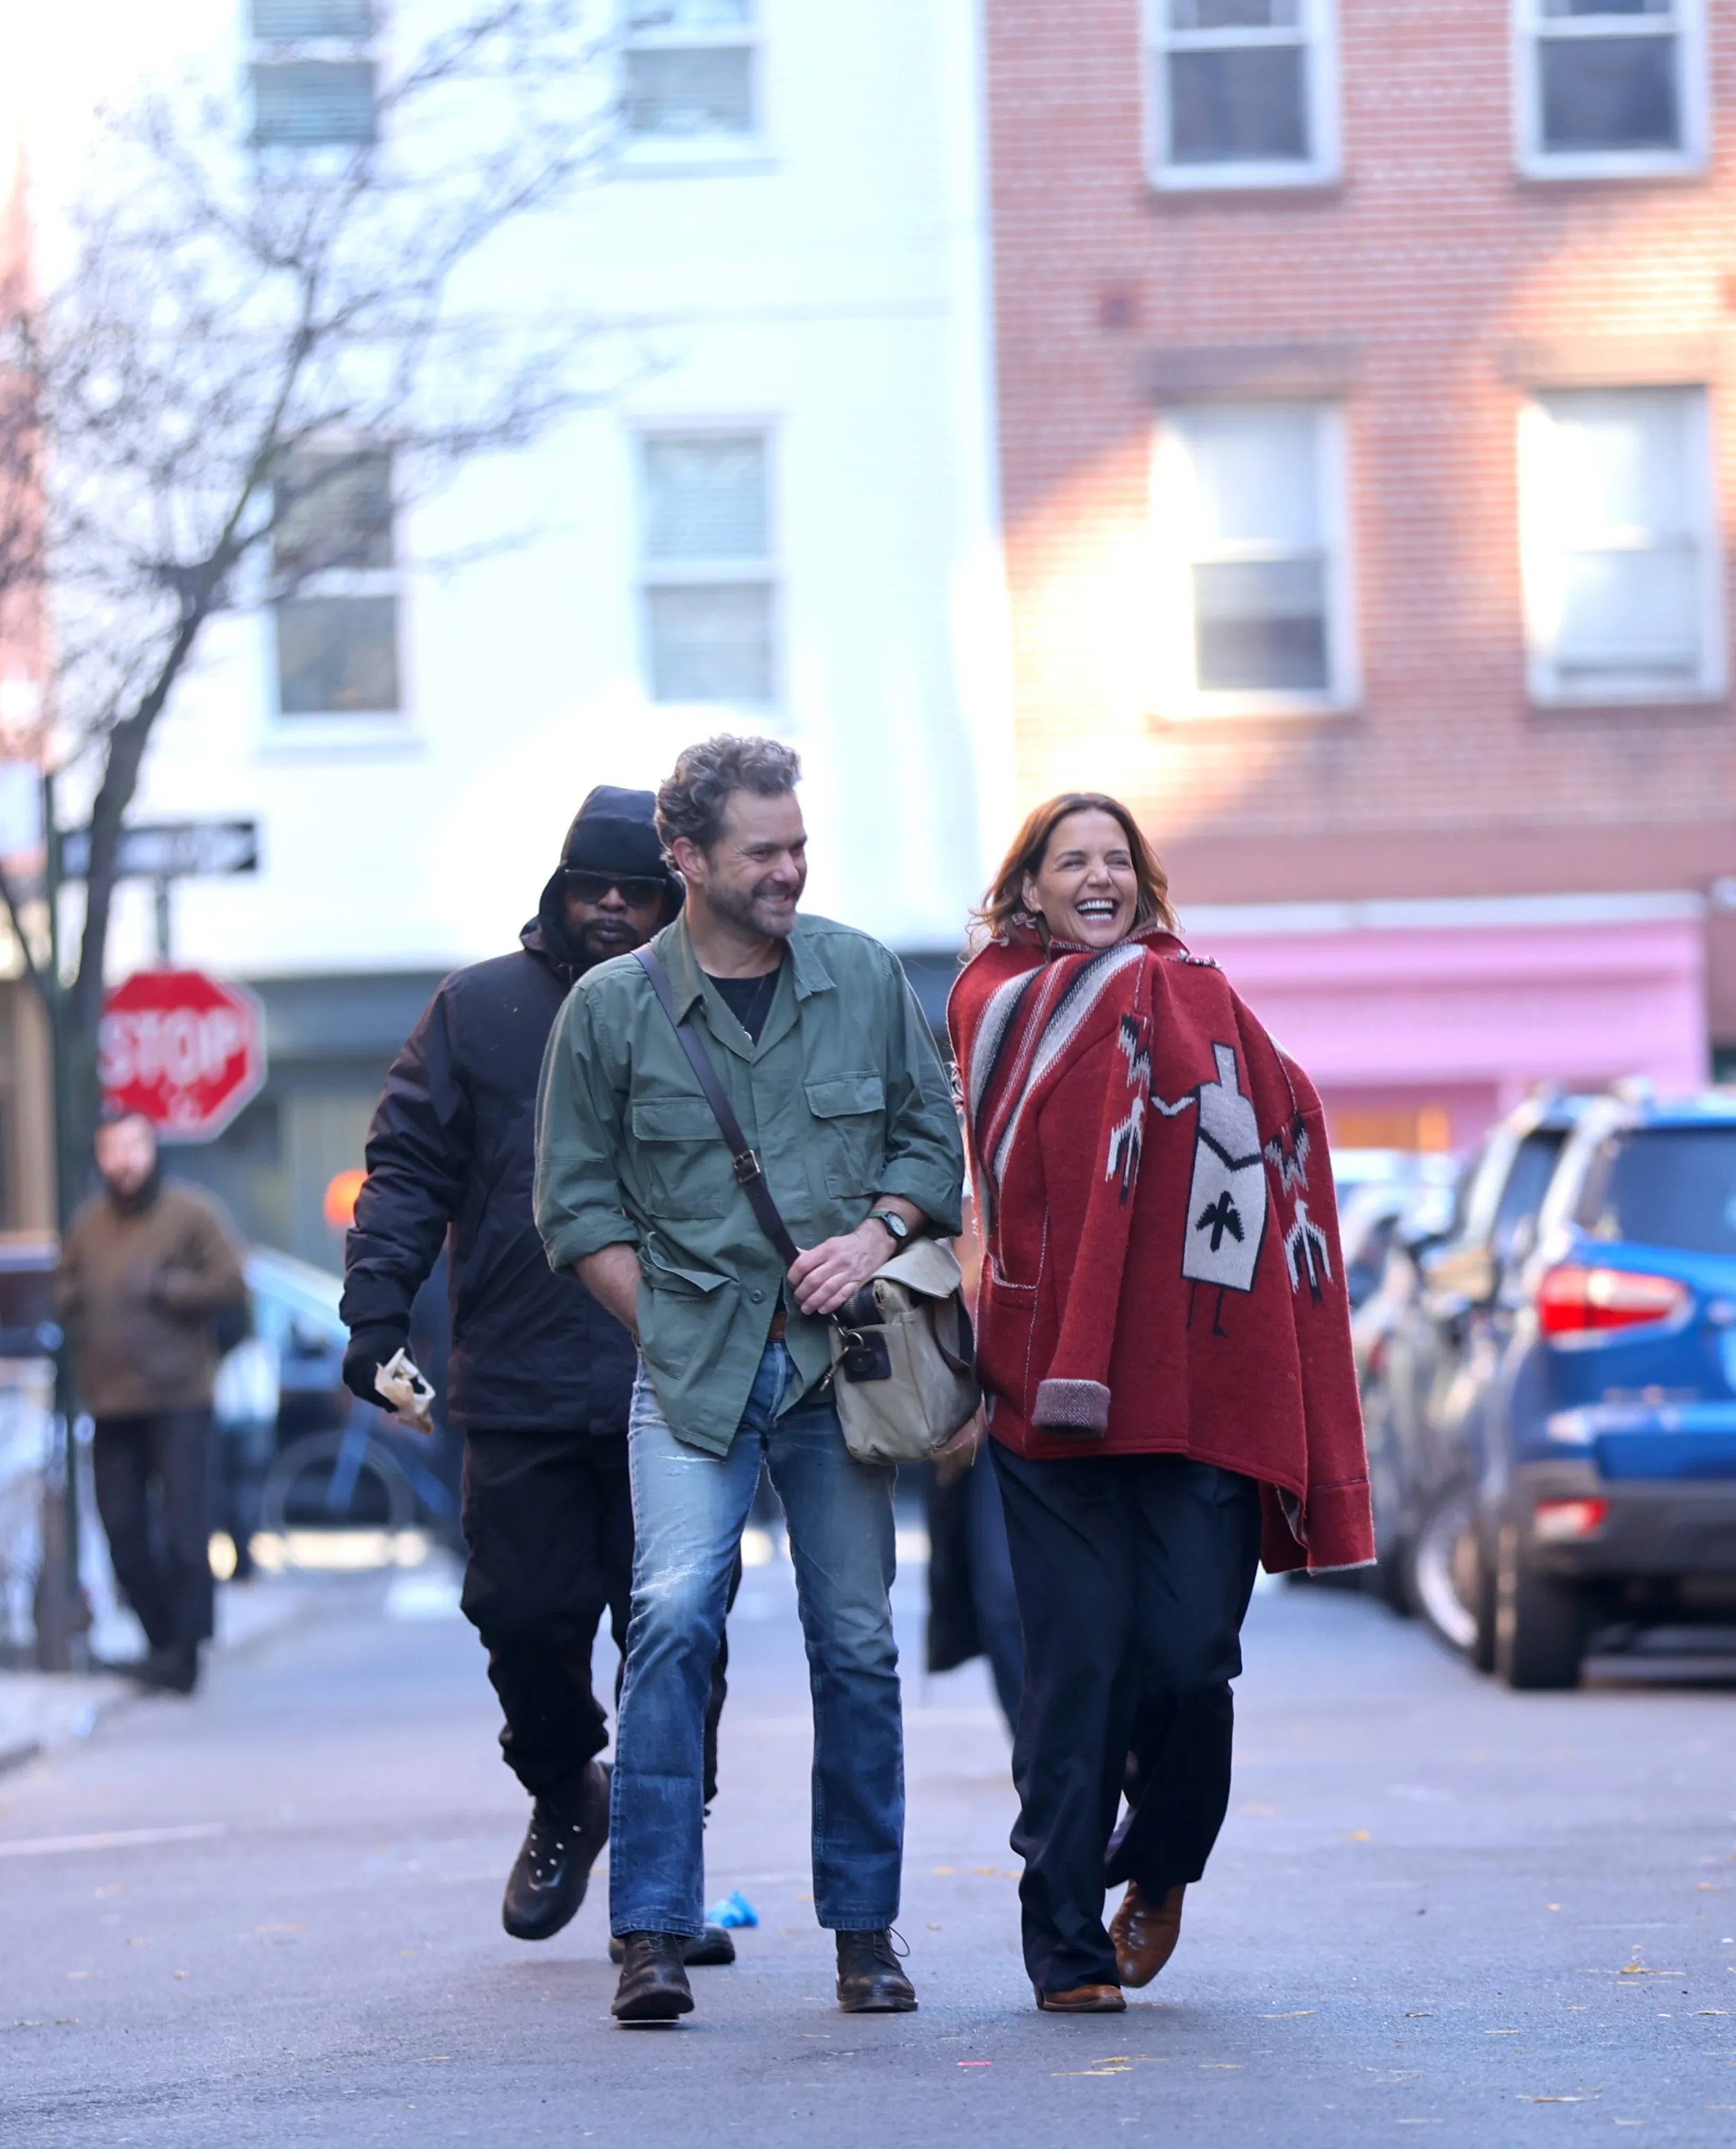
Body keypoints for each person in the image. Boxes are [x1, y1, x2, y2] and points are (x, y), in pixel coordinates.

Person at [535, 733, 964, 2025]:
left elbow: (927, 1145)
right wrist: (658, 1328)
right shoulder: (610, 1009)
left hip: (843, 1372)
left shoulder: (861, 973)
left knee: (855, 1642)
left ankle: (864, 1933)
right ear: (687, 859)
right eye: (761, 851)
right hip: (694, 1370)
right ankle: (652, 1935)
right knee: (669, 1619)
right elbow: (574, 1207)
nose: (789, 868)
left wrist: (878, 1232)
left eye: (797, 845)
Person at [946, 792, 1373, 2015]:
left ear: (1140, 882)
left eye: (1114, 861)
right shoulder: (993, 1004)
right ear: (1024, 888)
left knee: (1189, 1662)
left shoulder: (1195, 993)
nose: (1096, 879)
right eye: (1067, 862)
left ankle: (1162, 1864)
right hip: (1046, 1394)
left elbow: (1268, 1110)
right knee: (1072, 1668)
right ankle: (1063, 1942)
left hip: (1190, 1381)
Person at [341, 788, 735, 1963]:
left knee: (678, 1637)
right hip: (517, 1376)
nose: (611, 908)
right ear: (556, 894)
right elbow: (405, 1168)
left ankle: (663, 1884)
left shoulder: (713, 1003)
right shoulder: (479, 1010)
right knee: (519, 1616)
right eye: (590, 888)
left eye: (636, 891)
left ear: (671, 897)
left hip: (682, 1377)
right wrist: (373, 1319)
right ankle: (567, 1789)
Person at [54, 1110, 250, 1696]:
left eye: (133, 1147)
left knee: (187, 1530)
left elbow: (232, 1283)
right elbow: (63, 1288)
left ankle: (187, 1654)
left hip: (179, 1397)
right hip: (111, 1401)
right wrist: (74, 1305)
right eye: (111, 1151)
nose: (124, 1162)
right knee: (122, 1529)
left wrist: (171, 1290)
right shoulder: (88, 1225)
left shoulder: (191, 1214)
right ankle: (161, 1640)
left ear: (153, 1149)